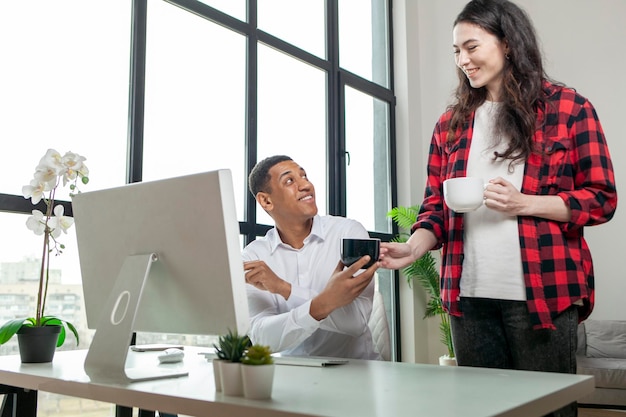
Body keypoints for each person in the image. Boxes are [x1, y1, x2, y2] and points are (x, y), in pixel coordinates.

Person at [379, 0, 617, 416]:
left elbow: (602, 199)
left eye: (472, 47)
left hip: (545, 295)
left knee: (549, 411)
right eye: (456, 51)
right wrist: (413, 248)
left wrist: (525, 203)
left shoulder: (569, 108)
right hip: (468, 298)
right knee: (483, 411)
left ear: (507, 43)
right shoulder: (450, 124)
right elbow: (436, 206)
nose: (463, 60)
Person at [242, 155, 381, 360]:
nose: (306, 185)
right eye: (290, 181)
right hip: (293, 378)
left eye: (304, 176)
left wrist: (284, 288)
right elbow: (262, 338)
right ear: (266, 200)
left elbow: (355, 322)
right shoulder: (254, 257)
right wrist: (326, 302)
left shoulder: (349, 234)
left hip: (356, 374)